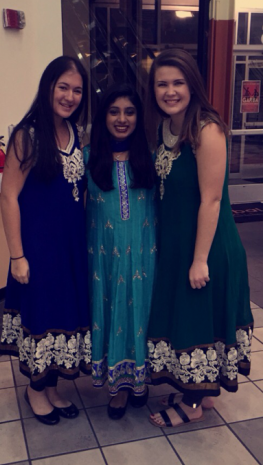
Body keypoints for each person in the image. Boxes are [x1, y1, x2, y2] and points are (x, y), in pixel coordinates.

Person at [145, 48, 254, 428]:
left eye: (178, 82)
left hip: (206, 246)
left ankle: (191, 404)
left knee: (195, 320)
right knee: (193, 320)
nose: (170, 91)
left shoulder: (205, 128)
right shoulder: (164, 127)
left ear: (192, 84)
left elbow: (210, 199)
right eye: (162, 83)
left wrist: (199, 259)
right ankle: (203, 393)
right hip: (177, 244)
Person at [0, 56, 91, 426]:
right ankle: (35, 390)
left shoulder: (75, 133)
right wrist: (17, 255)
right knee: (41, 316)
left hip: (70, 248)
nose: (70, 96)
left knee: (62, 316)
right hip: (37, 248)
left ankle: (52, 387)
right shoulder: (27, 135)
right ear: (48, 87)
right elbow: (9, 198)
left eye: (77, 90)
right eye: (63, 87)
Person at [84, 84, 156, 419]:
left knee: (141, 315)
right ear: (103, 116)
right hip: (104, 260)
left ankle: (139, 382)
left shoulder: (152, 160)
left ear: (139, 117)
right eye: (114, 111)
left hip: (145, 257)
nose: (122, 118)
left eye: (129, 111)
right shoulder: (88, 159)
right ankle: (119, 388)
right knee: (114, 316)